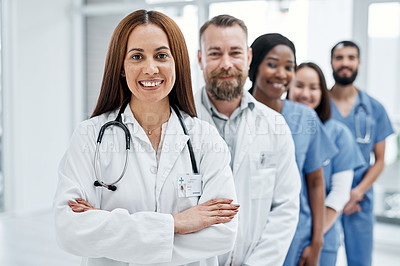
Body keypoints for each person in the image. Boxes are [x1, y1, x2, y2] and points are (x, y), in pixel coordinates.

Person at [53, 10, 239, 266]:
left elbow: (222, 235)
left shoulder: (205, 139)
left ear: (178, 63)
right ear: (121, 67)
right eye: (137, 56)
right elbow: (69, 230)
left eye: (161, 55)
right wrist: (177, 223)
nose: (150, 69)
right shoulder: (89, 136)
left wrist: (110, 228)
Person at [195, 15, 301, 266]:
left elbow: (285, 208)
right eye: (214, 54)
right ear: (200, 58)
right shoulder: (176, 123)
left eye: (235, 53)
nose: (226, 64)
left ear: (249, 57)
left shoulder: (274, 126)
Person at [249, 33, 337, 266]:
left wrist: (317, 241)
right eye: (272, 64)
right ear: (253, 64)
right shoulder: (235, 112)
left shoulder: (304, 117)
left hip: (296, 234)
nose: (281, 74)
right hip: (247, 232)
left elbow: (316, 182)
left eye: (289, 67)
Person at [288, 62, 365, 265]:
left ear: (323, 93)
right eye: (299, 86)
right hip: (283, 235)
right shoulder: (278, 128)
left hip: (322, 235)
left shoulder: (339, 134)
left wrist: (314, 237)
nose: (305, 94)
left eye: (313, 88)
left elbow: (339, 194)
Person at [329, 40, 394, 266]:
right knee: (321, 256)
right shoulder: (320, 107)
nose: (345, 63)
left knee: (360, 261)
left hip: (360, 197)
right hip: (325, 195)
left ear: (359, 63)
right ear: (331, 62)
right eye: (339, 58)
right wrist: (338, 196)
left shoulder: (374, 108)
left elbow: (380, 161)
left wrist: (355, 193)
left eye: (350, 57)